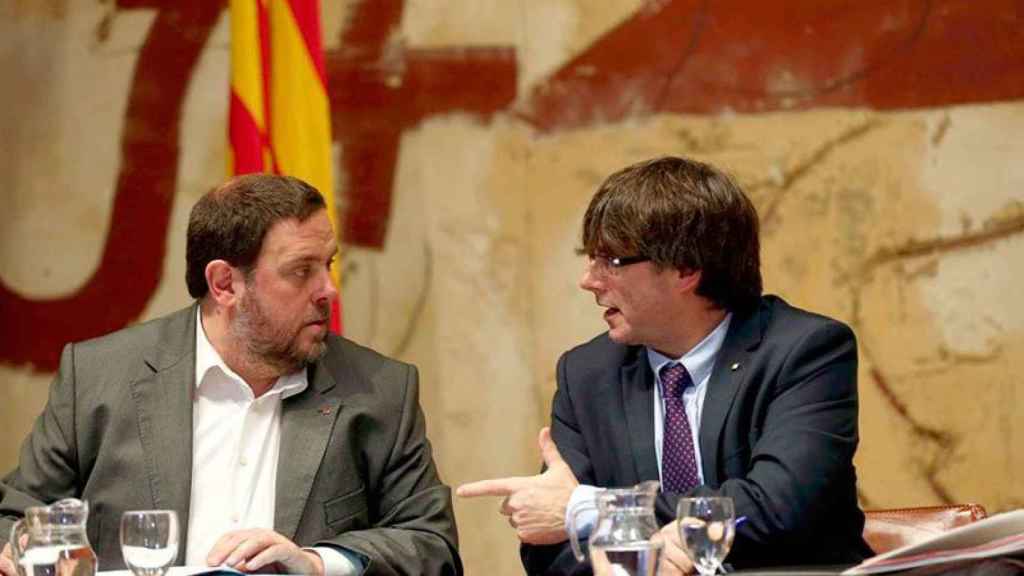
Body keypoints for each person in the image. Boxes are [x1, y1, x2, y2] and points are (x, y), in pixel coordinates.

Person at [0, 174, 460, 576]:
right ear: (224, 284)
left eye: (329, 264)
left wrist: (319, 563)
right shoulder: (101, 377)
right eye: (302, 271)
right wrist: (20, 555)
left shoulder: (379, 389)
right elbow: (15, 518)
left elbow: (433, 547)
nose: (329, 291)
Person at [458, 156, 873, 574]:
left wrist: (590, 507)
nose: (589, 280)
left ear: (687, 269)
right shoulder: (587, 374)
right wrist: (631, 564)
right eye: (590, 259)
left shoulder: (804, 351)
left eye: (611, 261)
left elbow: (777, 507)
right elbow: (548, 544)